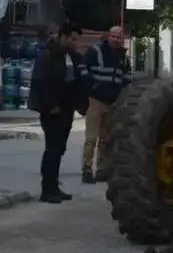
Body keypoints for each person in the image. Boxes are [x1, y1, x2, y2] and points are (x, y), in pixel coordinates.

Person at [30, 21, 82, 204]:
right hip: (52, 110)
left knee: (59, 148)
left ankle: (54, 187)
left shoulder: (71, 56)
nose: (75, 43)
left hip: (67, 109)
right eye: (73, 39)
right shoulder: (48, 54)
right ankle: (47, 189)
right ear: (63, 37)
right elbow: (41, 82)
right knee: (52, 149)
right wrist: (51, 105)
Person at [81, 25, 132, 184]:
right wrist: (91, 85)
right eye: (114, 36)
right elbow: (82, 68)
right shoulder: (95, 51)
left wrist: (124, 94)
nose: (116, 40)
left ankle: (101, 169)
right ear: (108, 36)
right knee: (91, 138)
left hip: (112, 103)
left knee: (105, 139)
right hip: (95, 100)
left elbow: (127, 77)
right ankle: (87, 169)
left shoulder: (123, 57)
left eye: (119, 37)